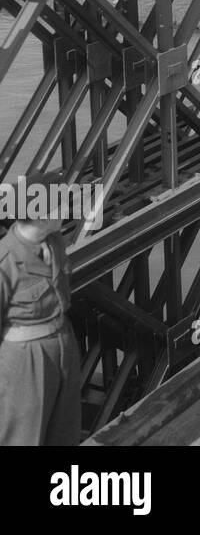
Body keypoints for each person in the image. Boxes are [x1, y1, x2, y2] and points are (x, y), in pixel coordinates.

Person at [0, 171, 83, 445]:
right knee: (25, 434)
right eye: (61, 204)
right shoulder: (6, 262)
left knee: (65, 429)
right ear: (42, 215)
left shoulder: (54, 242)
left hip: (62, 344)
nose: (67, 210)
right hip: (25, 360)